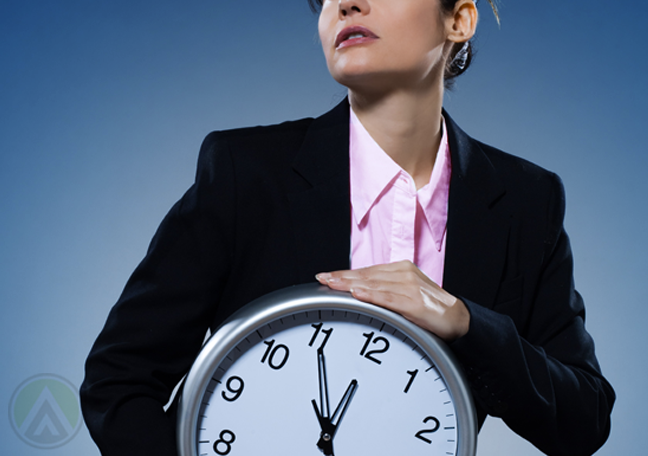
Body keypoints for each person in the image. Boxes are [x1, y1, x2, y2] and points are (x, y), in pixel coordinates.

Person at [81, 0, 615, 455]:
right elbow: (119, 381)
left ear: (459, 19)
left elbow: (583, 418)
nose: (346, 3)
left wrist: (463, 321)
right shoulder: (246, 172)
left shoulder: (526, 200)